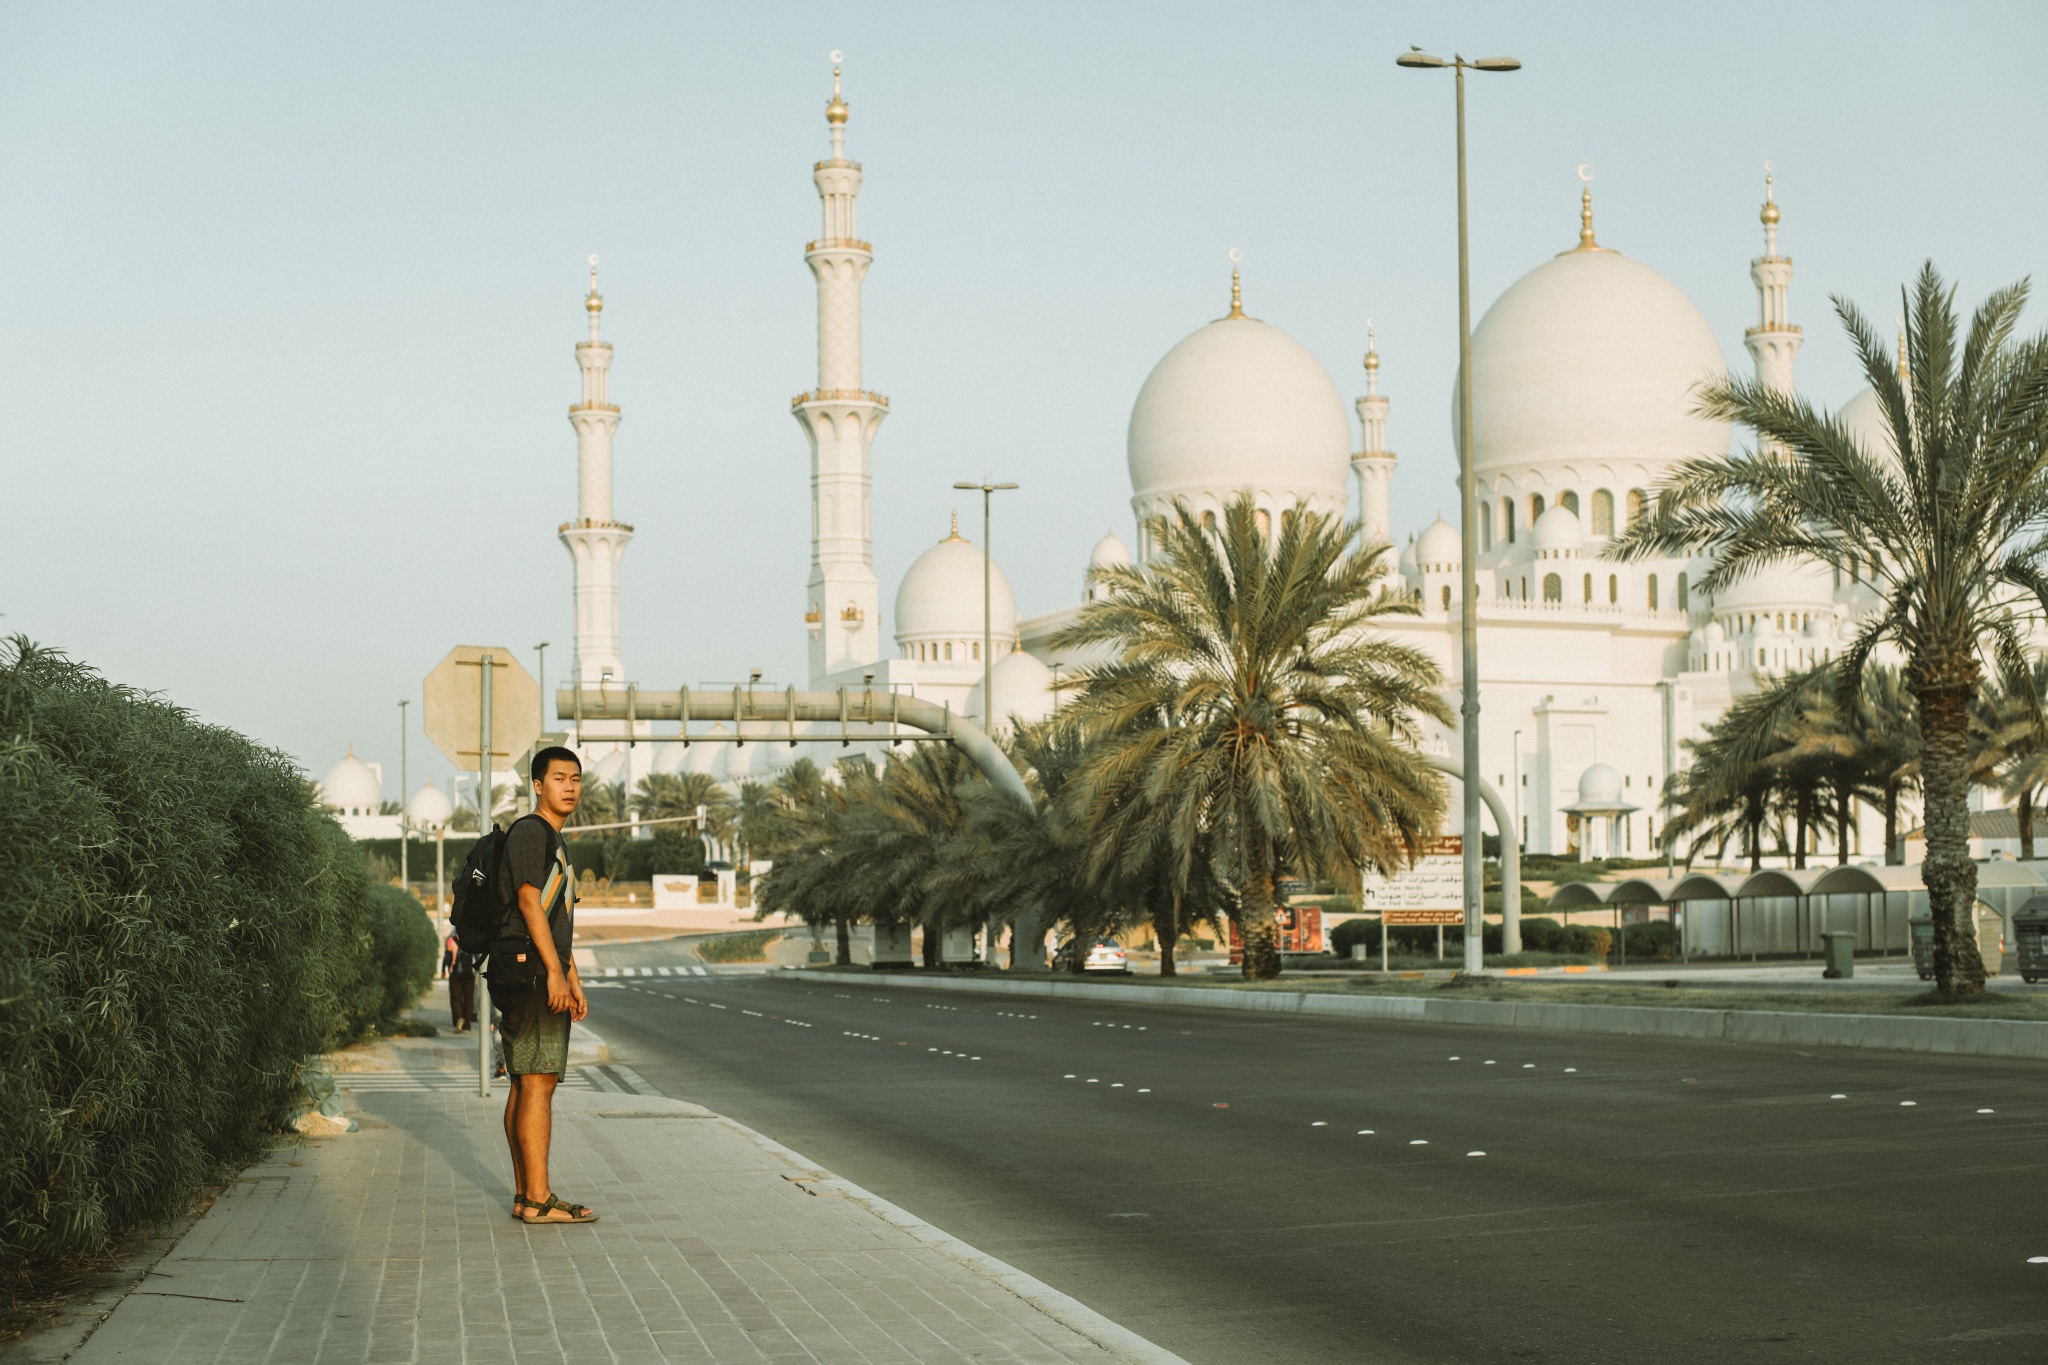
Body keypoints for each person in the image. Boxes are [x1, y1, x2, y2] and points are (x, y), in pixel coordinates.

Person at [494, 746, 598, 1224]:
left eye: (575, 778)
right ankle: (538, 1199)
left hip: (535, 970)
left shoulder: (550, 838)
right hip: (532, 974)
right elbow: (530, 904)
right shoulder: (532, 834)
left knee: (524, 1083)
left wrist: (572, 977)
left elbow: (556, 919)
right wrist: (555, 973)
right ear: (538, 785)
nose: (570, 787)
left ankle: (525, 1197)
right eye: (559, 778)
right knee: (537, 1085)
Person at [447, 936, 476, 1032]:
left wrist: (446, 969)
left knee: (455, 998)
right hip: (469, 975)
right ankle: (467, 1025)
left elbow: (447, 957)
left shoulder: (451, 940)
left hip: (455, 974)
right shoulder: (472, 941)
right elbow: (478, 958)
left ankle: (459, 1018)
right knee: (468, 999)